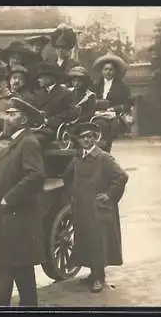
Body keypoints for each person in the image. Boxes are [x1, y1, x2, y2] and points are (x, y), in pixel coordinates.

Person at [0, 100, 46, 307]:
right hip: (8, 221)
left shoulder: (28, 142)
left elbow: (36, 175)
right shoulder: (16, 141)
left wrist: (8, 198)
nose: (6, 117)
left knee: (10, 275)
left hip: (14, 220)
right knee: (21, 274)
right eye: (7, 113)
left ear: (24, 119)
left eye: (12, 114)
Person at [63, 122, 128, 293]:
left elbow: (121, 176)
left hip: (98, 208)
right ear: (79, 140)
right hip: (82, 207)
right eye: (83, 137)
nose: (86, 140)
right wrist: (73, 194)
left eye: (90, 136)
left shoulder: (104, 158)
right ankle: (93, 274)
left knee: (98, 241)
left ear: (95, 138)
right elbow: (66, 177)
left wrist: (109, 195)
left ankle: (99, 278)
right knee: (86, 240)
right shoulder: (78, 158)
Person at [91, 53, 133, 153]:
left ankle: (105, 152)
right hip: (96, 115)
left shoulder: (123, 88)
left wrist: (115, 108)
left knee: (103, 126)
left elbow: (127, 104)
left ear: (115, 71)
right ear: (101, 71)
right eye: (105, 69)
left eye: (110, 69)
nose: (108, 72)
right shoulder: (95, 86)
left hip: (115, 117)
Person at [32, 62, 78, 147]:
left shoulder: (64, 93)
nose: (38, 80)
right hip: (37, 127)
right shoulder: (39, 93)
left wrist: (50, 121)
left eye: (41, 77)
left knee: (33, 141)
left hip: (55, 129)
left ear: (50, 78)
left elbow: (72, 113)